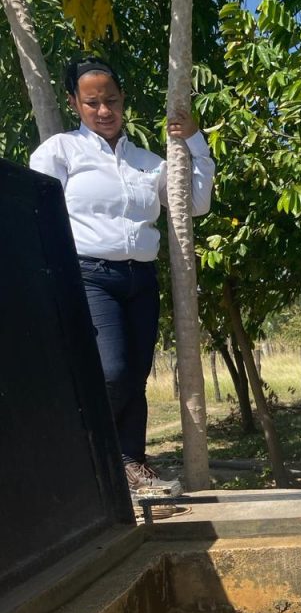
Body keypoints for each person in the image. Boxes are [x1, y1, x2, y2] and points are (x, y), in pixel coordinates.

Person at [30, 56, 215, 495]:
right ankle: (78, 454)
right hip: (87, 275)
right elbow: (38, 217)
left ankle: (131, 463)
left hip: (140, 280)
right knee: (111, 371)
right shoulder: (59, 152)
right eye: (92, 102)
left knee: (135, 374)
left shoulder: (151, 161)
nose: (104, 110)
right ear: (75, 102)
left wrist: (195, 143)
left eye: (111, 100)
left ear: (123, 100)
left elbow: (196, 202)